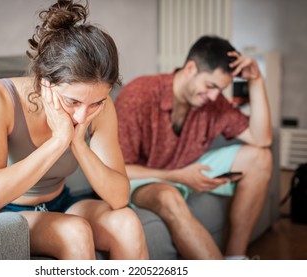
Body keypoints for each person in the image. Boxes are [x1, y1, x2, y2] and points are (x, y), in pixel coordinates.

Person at [0, 0, 148, 260]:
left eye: (95, 102)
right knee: (74, 231)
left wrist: (78, 144)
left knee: (127, 223)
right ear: (45, 81)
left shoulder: (100, 106)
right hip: (7, 211)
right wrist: (59, 140)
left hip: (60, 203)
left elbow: (119, 197)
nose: (81, 115)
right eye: (72, 101)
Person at [115, 35, 272, 260]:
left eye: (221, 89)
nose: (215, 96)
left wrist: (256, 82)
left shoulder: (213, 101)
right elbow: (117, 170)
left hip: (185, 167)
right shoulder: (139, 94)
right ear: (190, 68)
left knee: (260, 157)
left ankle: (236, 259)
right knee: (168, 197)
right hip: (140, 177)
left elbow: (262, 139)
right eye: (210, 86)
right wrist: (177, 177)